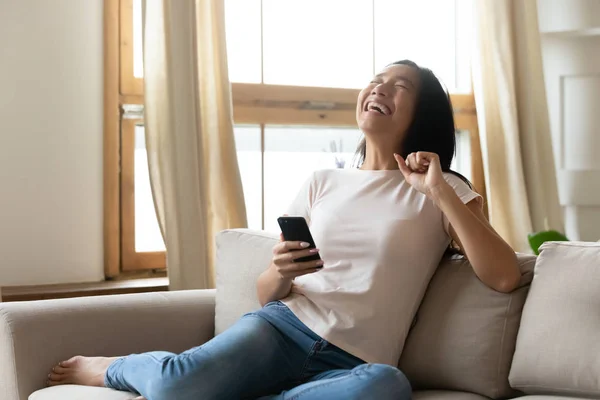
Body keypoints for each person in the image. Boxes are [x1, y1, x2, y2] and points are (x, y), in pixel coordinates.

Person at [46, 60, 521, 400]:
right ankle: (114, 368)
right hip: (281, 328)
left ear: (424, 113)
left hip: (355, 362)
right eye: (376, 80)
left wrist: (437, 191)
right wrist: (281, 270)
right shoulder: (323, 181)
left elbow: (502, 275)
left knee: (388, 385)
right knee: (176, 385)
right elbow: (266, 293)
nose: (380, 87)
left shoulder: (443, 187)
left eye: (400, 85)